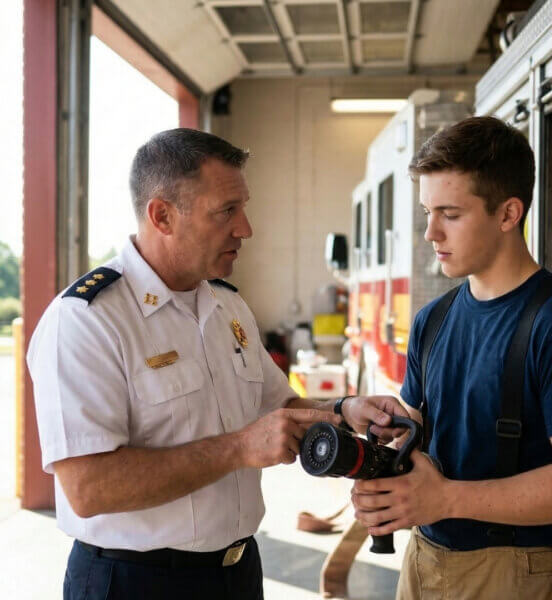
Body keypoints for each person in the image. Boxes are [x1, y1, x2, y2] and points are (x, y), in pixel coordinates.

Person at [27, 129, 404, 600]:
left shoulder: (226, 305)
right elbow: (89, 488)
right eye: (226, 211)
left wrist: (345, 410)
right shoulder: (86, 320)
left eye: (243, 207)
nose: (245, 228)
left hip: (237, 573)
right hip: (135, 583)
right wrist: (239, 448)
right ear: (162, 215)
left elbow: (280, 406)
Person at [351, 116, 552, 599]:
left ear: (508, 214)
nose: (430, 234)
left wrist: (444, 498)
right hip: (423, 563)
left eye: (450, 213)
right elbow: (424, 438)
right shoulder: (432, 320)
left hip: (523, 576)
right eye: (427, 212)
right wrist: (393, 448)